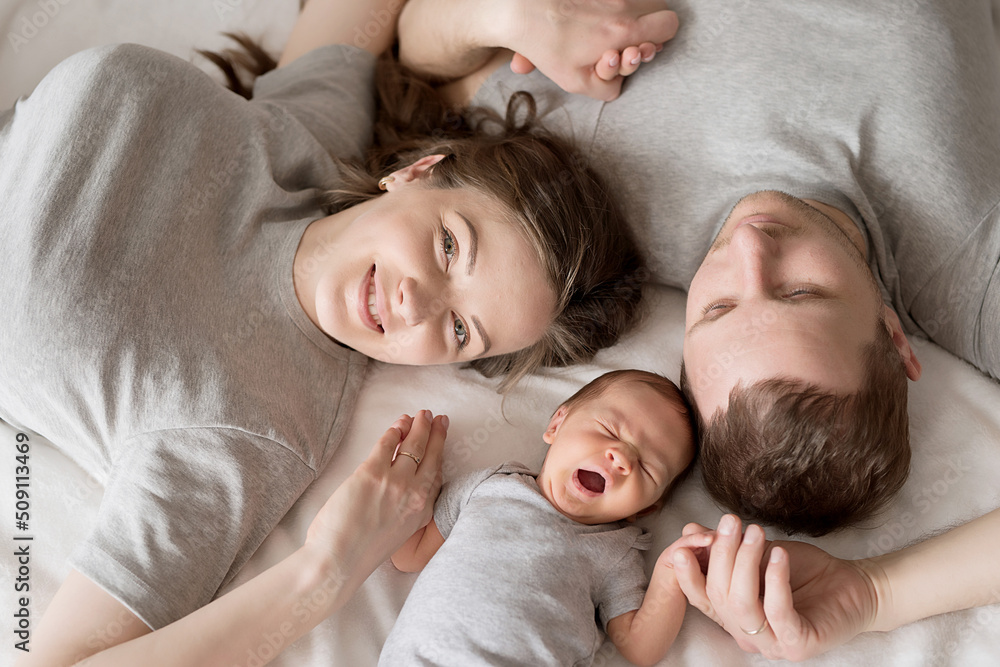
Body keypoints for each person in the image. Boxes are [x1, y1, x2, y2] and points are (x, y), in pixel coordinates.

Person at [1, 0, 649, 663]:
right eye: (450, 247)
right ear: (416, 173)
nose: (416, 303)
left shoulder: (248, 426)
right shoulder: (316, 132)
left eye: (460, 329)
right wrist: (514, 19)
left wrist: (327, 570)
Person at [393, 0, 1000, 659]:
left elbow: (419, 55)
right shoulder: (970, 265)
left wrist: (504, 16)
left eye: (716, 308)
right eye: (803, 292)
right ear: (894, 333)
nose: (748, 248)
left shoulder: (585, 209)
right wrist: (878, 595)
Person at [381, 370, 706, 667]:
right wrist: (416, 478)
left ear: (646, 508)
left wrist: (673, 570)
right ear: (557, 424)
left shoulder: (615, 551)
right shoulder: (490, 486)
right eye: (608, 430)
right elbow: (409, 555)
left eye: (648, 468)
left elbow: (639, 648)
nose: (620, 457)